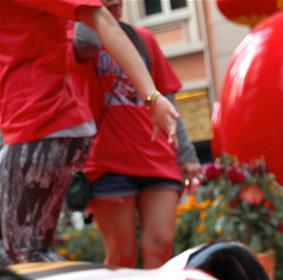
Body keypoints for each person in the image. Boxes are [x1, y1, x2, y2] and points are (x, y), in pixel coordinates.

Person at [0, 0, 179, 265]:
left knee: (24, 253)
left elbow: (100, 18)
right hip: (39, 125)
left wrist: (151, 97)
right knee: (21, 251)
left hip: (44, 122)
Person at [75, 0, 198, 268]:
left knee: (161, 245)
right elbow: (82, 39)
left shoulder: (143, 39)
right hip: (107, 163)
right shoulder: (80, 41)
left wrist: (187, 155)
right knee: (122, 256)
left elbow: (168, 100)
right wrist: (93, 14)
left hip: (158, 158)